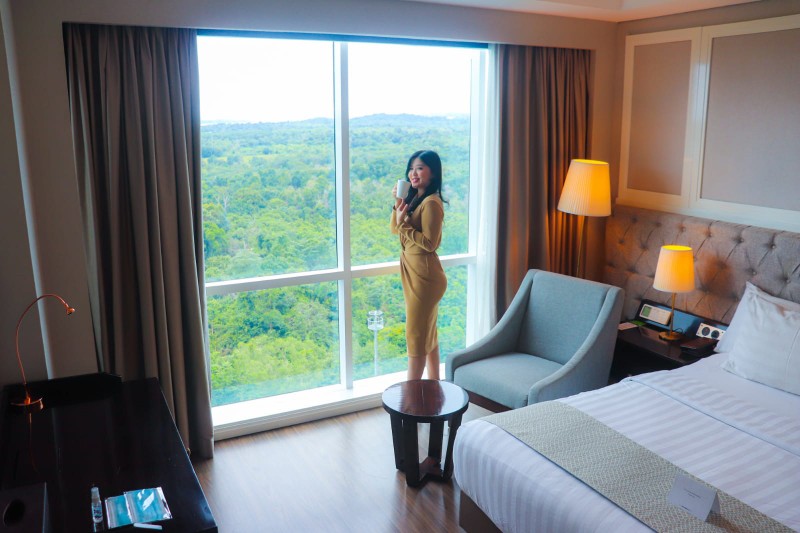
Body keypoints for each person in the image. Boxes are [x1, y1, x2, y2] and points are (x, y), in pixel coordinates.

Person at [390, 150, 447, 381]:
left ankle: (411, 397)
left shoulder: (432, 203)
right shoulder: (415, 200)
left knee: (416, 337)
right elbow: (394, 229)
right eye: (411, 168)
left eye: (420, 168)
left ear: (433, 173)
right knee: (427, 336)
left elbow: (430, 243)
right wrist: (399, 203)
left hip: (425, 277)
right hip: (413, 272)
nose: (413, 173)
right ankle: (435, 387)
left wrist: (403, 225)